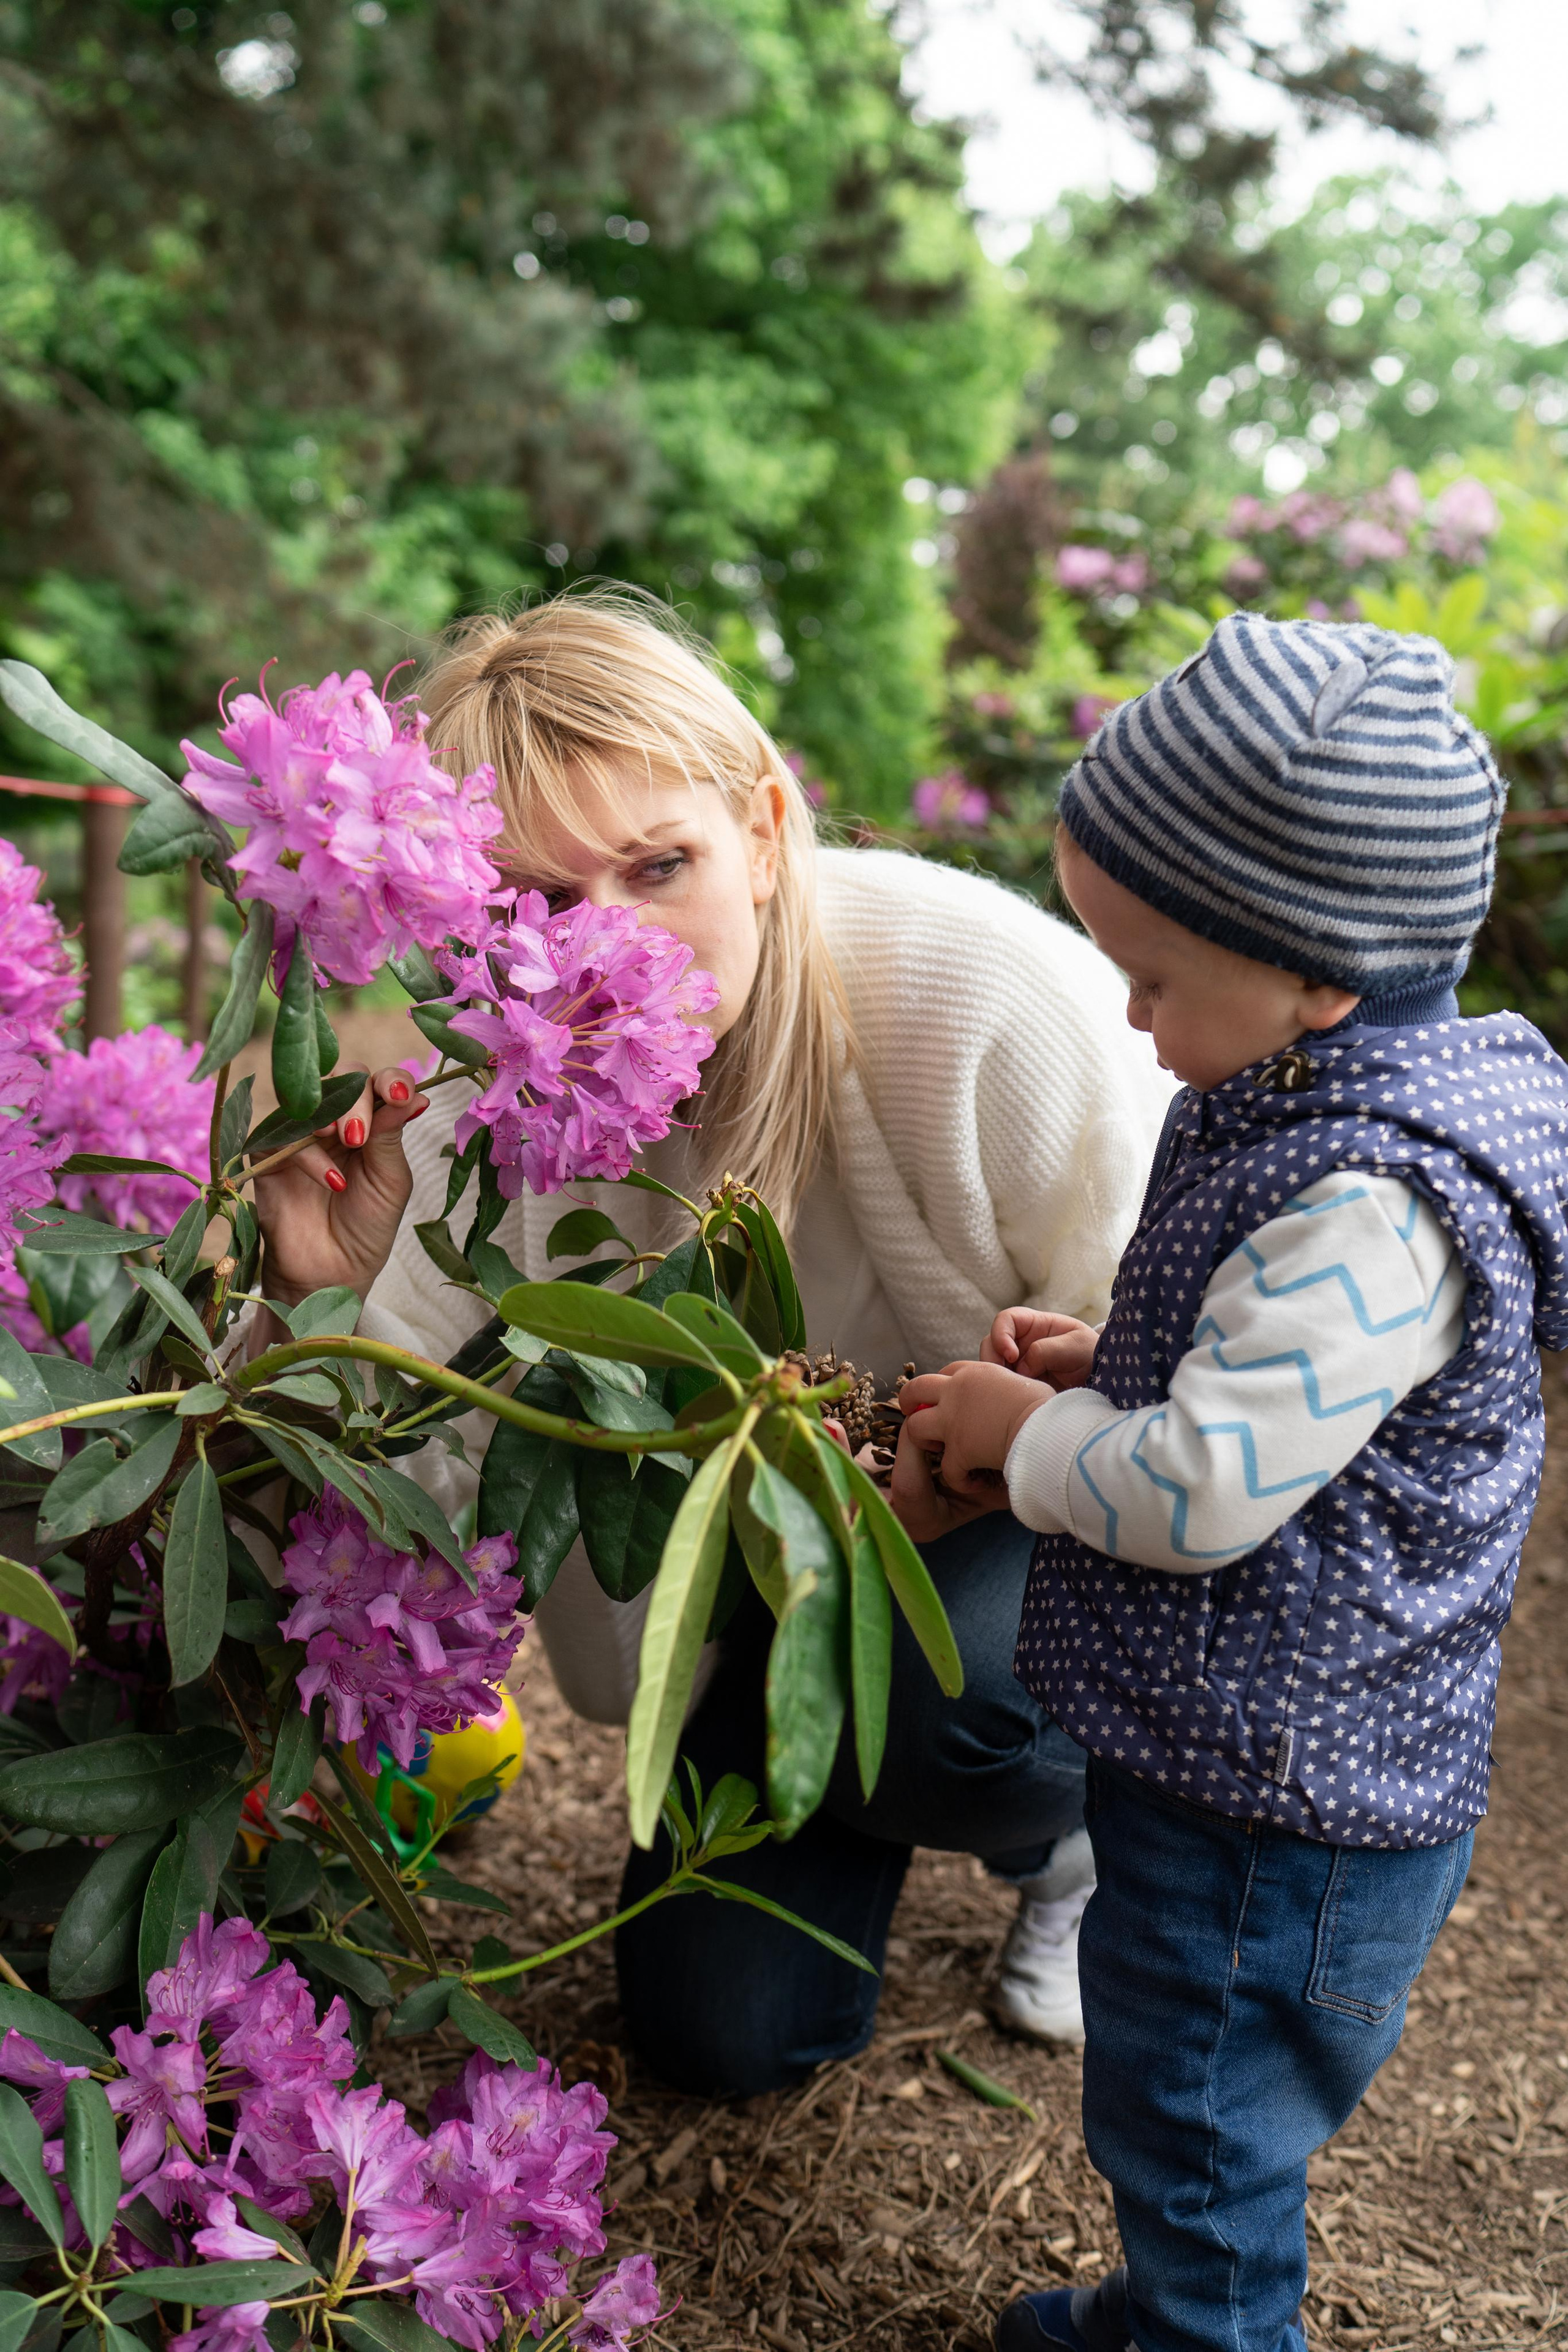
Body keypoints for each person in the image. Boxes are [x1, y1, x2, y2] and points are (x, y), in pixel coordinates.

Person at [251, 589, 1171, 2090]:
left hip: (1038, 1542)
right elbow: (404, 1488)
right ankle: (846, 1788)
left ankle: (1075, 1849)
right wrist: (318, 1297)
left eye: (657, 865)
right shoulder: (478, 1118)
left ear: (761, 828)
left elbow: (1176, 1375)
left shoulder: (983, 996)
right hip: (752, 1607)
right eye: (534, 910)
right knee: (716, 2039)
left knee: (972, 1720)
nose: (602, 950)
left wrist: (989, 1461)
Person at [890, 611, 1568, 2352]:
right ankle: (1164, 2317)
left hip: (1284, 1808)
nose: (1125, 1011)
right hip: (1256, 1756)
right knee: (1180, 2100)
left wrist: (1022, 1439)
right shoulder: (1312, 1083)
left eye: (1155, 977)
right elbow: (1247, 1383)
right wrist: (1102, 1367)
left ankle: (1200, 2335)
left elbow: (1205, 1491)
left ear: (1317, 972)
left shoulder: (1372, 1204)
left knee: (1198, 2126)